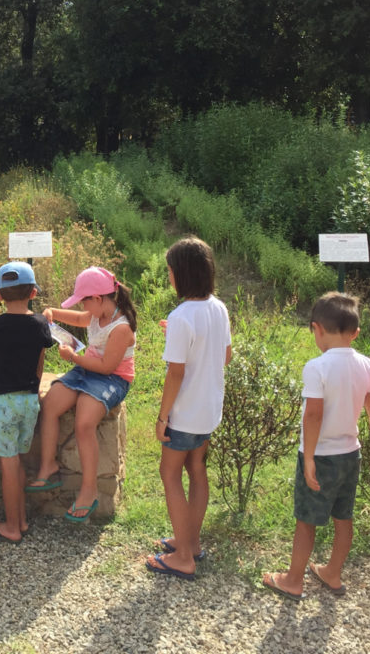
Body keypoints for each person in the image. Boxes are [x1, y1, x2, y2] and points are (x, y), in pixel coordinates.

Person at [262, 292, 370, 600]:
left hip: (320, 455)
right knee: (343, 517)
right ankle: (332, 572)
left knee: (306, 521)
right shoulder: (368, 365)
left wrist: (308, 460)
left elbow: (314, 415)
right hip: (351, 454)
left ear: (316, 328)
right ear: (356, 333)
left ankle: (293, 580)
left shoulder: (316, 367)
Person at [147, 237, 231, 581]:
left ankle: (182, 556)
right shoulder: (219, 307)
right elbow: (223, 355)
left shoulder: (181, 316)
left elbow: (175, 373)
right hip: (209, 410)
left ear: (179, 274)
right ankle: (191, 542)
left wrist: (162, 416)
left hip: (183, 414)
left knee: (170, 475)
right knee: (197, 471)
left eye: (169, 270)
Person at [30, 267, 136, 523]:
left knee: (84, 422)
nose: (83, 307)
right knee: (51, 403)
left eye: (85, 300)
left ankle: (89, 489)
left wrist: (73, 357)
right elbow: (78, 319)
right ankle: (48, 465)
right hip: (87, 370)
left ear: (98, 298)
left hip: (112, 378)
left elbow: (107, 367)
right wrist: (52, 314)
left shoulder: (121, 328)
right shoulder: (95, 313)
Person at [0, 261, 56, 543]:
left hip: (2, 401)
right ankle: (21, 520)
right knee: (18, 461)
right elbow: (40, 365)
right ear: (34, 293)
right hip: (29, 400)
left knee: (8, 466)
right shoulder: (40, 324)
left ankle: (11, 526)